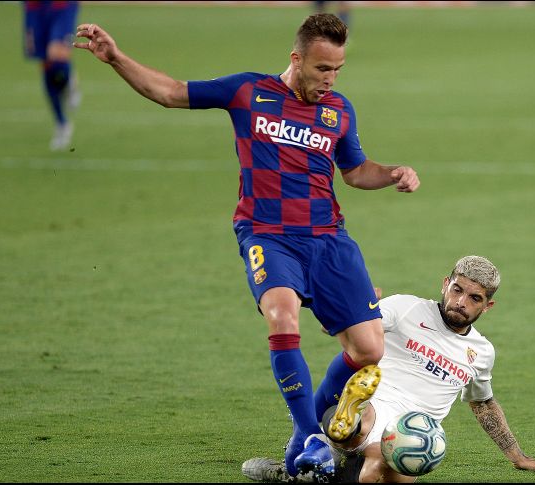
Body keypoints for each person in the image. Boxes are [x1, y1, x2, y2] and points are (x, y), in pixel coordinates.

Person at [73, 13, 420, 481]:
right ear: (296, 59)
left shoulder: (338, 111)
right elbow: (172, 92)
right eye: (322, 69)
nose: (330, 79)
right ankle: (312, 434)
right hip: (267, 233)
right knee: (281, 314)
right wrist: (115, 58)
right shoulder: (247, 92)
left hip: (329, 239)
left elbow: (356, 171)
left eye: (337, 69)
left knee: (368, 350)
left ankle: (306, 433)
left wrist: (394, 172)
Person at [242, 255, 535, 483]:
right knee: (375, 451)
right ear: (446, 284)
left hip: (417, 431)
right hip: (377, 401)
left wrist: (517, 456)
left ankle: (313, 460)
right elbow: (359, 328)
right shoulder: (405, 308)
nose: (461, 301)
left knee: (386, 466)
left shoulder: (482, 353)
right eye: (457, 289)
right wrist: (351, 311)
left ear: (487, 306)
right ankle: (343, 424)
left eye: (474, 298)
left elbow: (483, 403)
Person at [23, 0, 81, 151]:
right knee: (46, 63)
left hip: (61, 4)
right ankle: (62, 123)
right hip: (35, 6)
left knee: (57, 55)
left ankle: (69, 81)